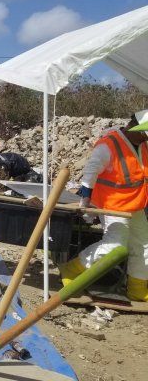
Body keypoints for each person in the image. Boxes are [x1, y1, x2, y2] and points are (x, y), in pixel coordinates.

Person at [60, 110, 148, 302]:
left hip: (136, 205)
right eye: (144, 134)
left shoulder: (143, 146)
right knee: (114, 246)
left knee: (144, 246)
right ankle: (73, 269)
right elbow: (89, 175)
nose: (145, 138)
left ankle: (138, 287)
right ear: (135, 128)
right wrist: (85, 204)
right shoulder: (109, 146)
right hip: (113, 206)